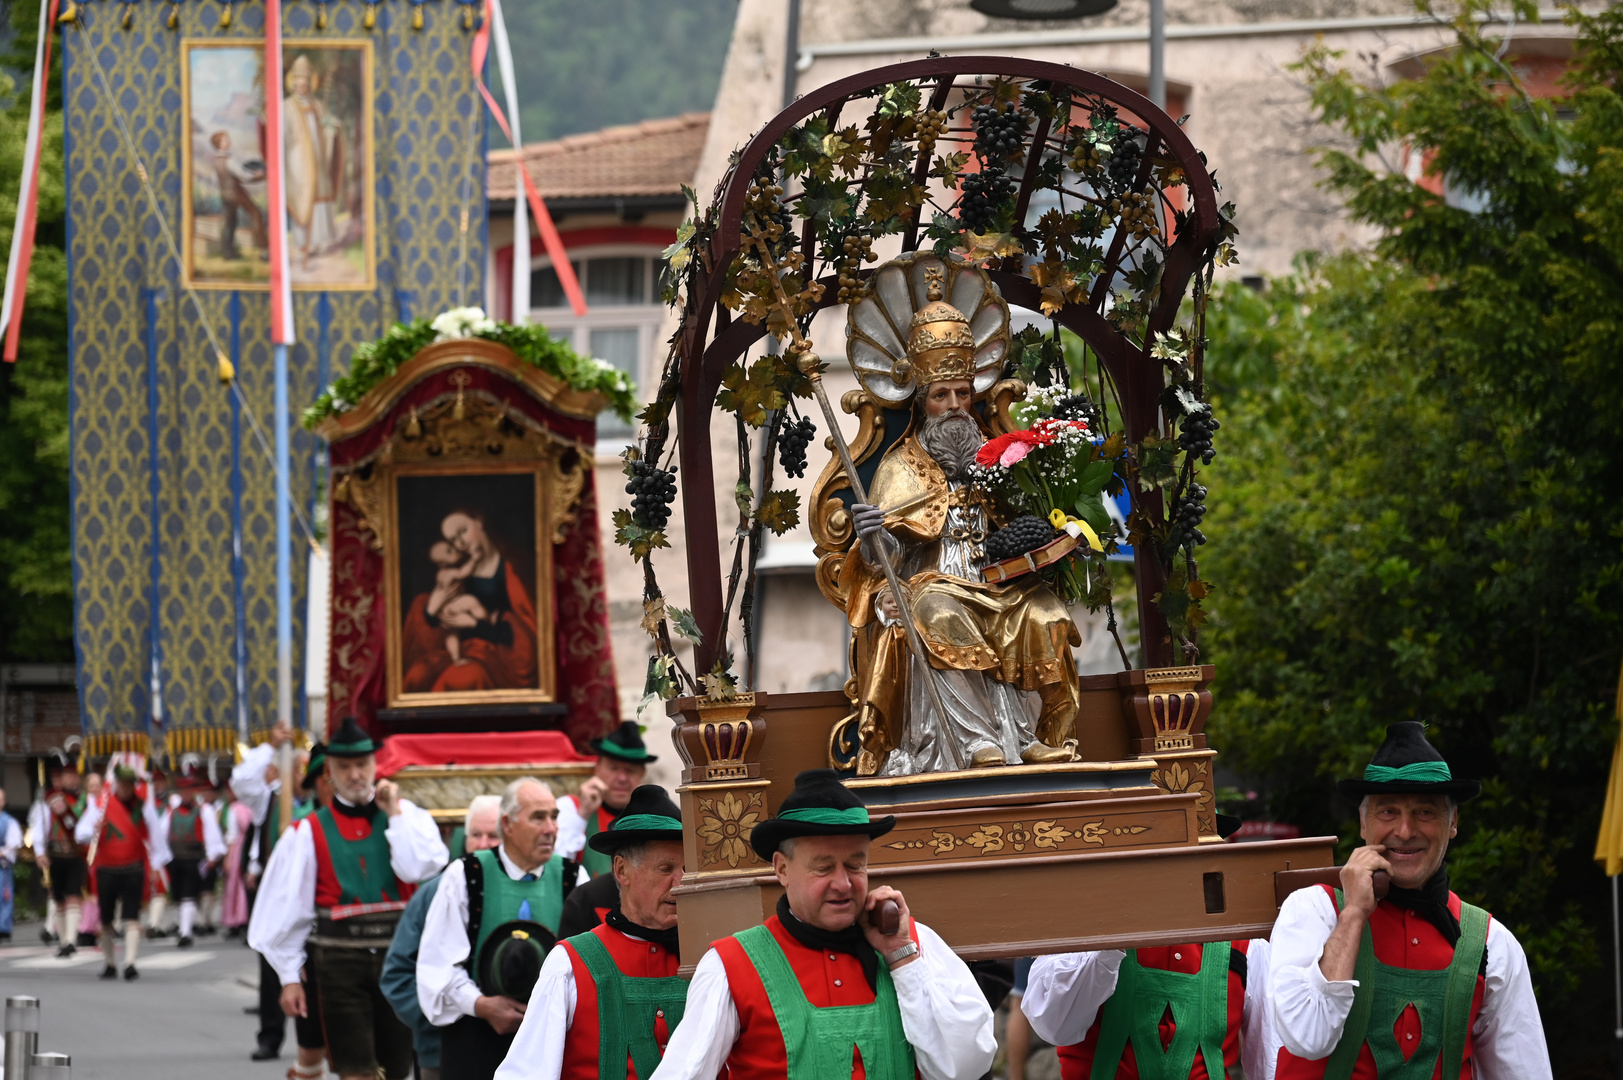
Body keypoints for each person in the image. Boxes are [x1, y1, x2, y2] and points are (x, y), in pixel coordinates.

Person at [843, 263, 1080, 775]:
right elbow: (882, 560)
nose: (955, 406)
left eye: (963, 394)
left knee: (1044, 612)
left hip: (995, 585)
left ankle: (1034, 736)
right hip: (931, 585)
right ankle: (978, 745)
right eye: (941, 395)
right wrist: (873, 536)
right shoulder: (900, 466)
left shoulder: (995, 458)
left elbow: (1020, 527)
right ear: (921, 401)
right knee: (937, 608)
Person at [652, 768, 996, 1080]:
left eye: (855, 865)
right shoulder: (730, 967)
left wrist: (903, 960)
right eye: (824, 867)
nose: (844, 883)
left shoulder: (915, 944)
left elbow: (966, 1066)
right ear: (782, 869)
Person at [1269, 722, 1552, 1078]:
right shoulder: (1313, 911)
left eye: (1425, 812)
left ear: (1452, 822)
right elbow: (1307, 1039)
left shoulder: (1493, 944)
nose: (1404, 831)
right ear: (1362, 822)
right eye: (1388, 811)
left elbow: (1524, 1072)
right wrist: (1354, 913)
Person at [249, 717, 448, 1080]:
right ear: (329, 772)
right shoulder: (306, 833)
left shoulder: (406, 817)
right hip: (338, 965)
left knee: (396, 1070)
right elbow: (285, 913)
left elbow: (420, 868)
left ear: (375, 766)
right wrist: (290, 976)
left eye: (362, 765)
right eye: (345, 767)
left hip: (398, 961)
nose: (355, 774)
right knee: (357, 1072)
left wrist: (396, 815)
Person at [494, 785, 687, 1080]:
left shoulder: (706, 958)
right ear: (621, 871)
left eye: (687, 868)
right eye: (665, 868)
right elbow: (526, 1072)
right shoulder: (569, 964)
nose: (680, 882)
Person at [418, 778, 585, 1080]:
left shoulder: (573, 877)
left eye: (554, 817)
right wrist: (481, 1005)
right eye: (538, 817)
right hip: (476, 1039)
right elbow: (437, 964)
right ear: (507, 824)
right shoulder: (466, 875)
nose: (551, 828)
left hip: (551, 1039)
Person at [383, 795, 503, 1080]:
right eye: (476, 835)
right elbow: (397, 976)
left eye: (493, 836)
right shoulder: (433, 893)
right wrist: (443, 1020)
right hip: (440, 1052)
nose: (483, 844)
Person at [401, 509, 539, 694]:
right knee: (418, 676)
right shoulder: (459, 570)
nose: (461, 543)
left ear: (479, 522)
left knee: (464, 678)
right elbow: (438, 621)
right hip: (459, 648)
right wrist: (431, 611)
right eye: (453, 540)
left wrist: (474, 624)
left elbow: (519, 636)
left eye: (462, 531)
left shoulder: (513, 568)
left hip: (496, 654)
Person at [76, 764, 161, 980]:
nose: (125, 788)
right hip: (107, 870)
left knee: (131, 916)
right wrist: (93, 829)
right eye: (122, 784)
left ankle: (130, 963)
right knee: (106, 919)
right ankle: (110, 963)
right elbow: (80, 833)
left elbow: (156, 835)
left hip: (133, 867)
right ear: (116, 784)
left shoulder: (143, 806)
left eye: (129, 784)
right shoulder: (101, 805)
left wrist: (157, 865)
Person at [556, 722, 654, 877]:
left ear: (642, 774)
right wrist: (582, 815)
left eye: (630, 770)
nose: (622, 778)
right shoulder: (570, 808)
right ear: (598, 768)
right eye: (613, 768)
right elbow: (554, 867)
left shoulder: (654, 817)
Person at [154, 765, 227, 948]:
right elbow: (162, 835)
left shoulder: (204, 810)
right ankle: (183, 926)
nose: (185, 793)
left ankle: (185, 932)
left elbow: (212, 834)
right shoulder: (171, 811)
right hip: (175, 859)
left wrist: (212, 856)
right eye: (182, 790)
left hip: (194, 858)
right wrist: (161, 859)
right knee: (179, 896)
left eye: (188, 789)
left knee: (188, 894)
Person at [282, 53, 342, 266]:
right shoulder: (287, 106)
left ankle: (316, 243)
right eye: (298, 82)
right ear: (293, 83)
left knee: (318, 199)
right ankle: (301, 246)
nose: (302, 86)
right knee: (302, 200)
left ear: (310, 83)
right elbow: (282, 134)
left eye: (305, 83)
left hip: (318, 160)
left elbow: (327, 123)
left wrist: (331, 126)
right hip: (298, 163)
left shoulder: (318, 104)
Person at [29, 750, 88, 955]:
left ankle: (71, 940)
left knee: (73, 895)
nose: (71, 779)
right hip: (55, 855)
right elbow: (39, 829)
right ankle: (64, 941)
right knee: (58, 898)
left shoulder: (85, 800)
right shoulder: (50, 801)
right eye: (67, 775)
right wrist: (39, 853)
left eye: (74, 775)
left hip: (76, 855)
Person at [207, 130, 267, 259]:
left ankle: (228, 253)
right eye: (225, 140)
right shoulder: (229, 160)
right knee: (256, 214)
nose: (229, 141)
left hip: (225, 195)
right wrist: (259, 176)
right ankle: (265, 251)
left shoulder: (216, 161)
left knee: (230, 221)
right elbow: (243, 176)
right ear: (220, 144)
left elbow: (214, 179)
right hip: (236, 193)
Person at [0, 787, 20, 943]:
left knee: (4, 896)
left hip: (2, 865)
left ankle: (3, 928)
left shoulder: (9, 821)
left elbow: (13, 844)